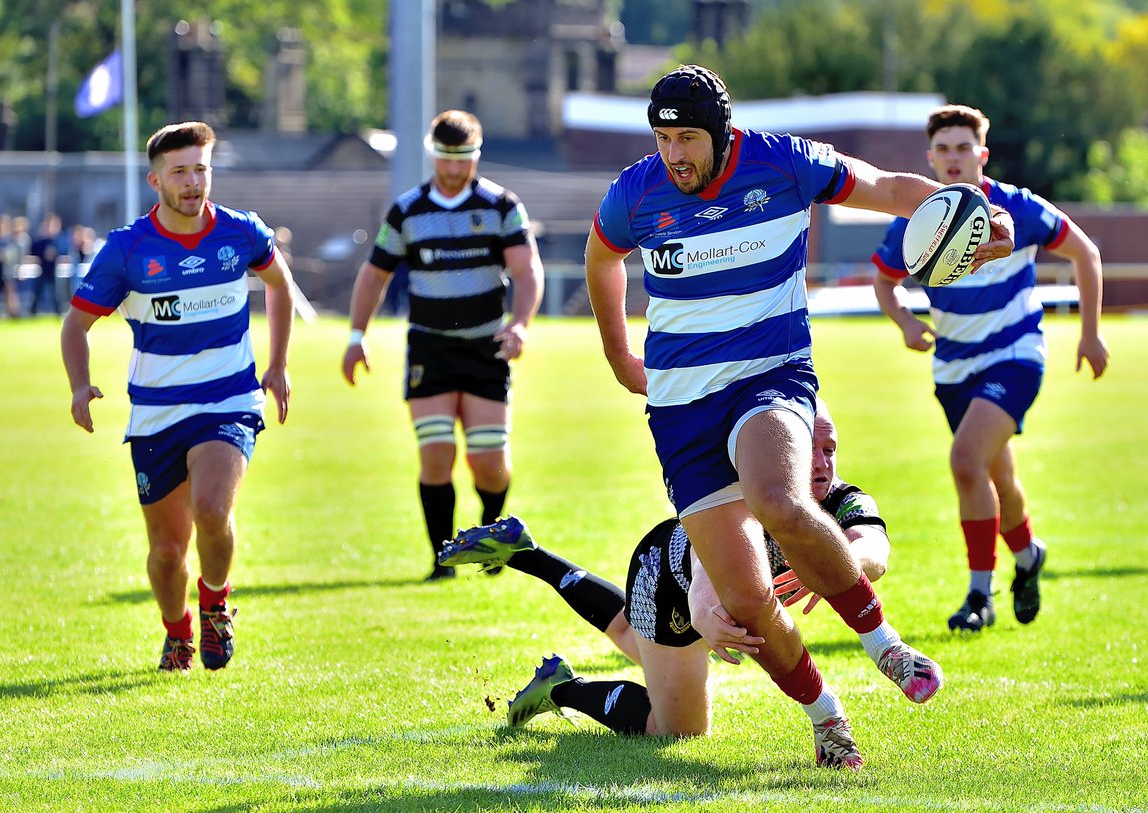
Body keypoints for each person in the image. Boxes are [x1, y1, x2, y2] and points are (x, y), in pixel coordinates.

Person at [582, 65, 1014, 718]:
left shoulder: (783, 162)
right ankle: (826, 715)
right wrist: (619, 353)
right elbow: (600, 257)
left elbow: (890, 187)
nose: (674, 155)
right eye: (663, 139)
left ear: (722, 133)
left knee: (779, 498)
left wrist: (977, 214)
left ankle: (885, 644)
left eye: (688, 139)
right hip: (679, 403)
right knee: (748, 599)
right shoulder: (634, 194)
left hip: (771, 372)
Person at [439, 401, 889, 769]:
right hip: (670, 582)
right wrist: (703, 608)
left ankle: (527, 554)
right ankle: (562, 688)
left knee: (627, 635)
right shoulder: (757, 492)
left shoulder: (843, 498)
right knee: (677, 728)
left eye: (830, 450)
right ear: (784, 448)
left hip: (699, 589)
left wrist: (841, 562)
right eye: (810, 448)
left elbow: (873, 549)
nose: (822, 463)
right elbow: (706, 566)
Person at [60, 121, 296, 673]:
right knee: (167, 554)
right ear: (155, 181)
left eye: (201, 170)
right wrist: (78, 384)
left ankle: (215, 604)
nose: (193, 183)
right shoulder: (127, 250)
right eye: (180, 173)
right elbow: (75, 326)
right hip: (155, 413)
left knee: (213, 507)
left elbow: (281, 287)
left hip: (229, 400)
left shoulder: (241, 232)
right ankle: (178, 630)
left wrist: (278, 364)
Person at [871, 104, 1109, 632]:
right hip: (953, 367)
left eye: (963, 148)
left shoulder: (1016, 208)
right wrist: (906, 323)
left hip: (1015, 354)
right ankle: (1028, 557)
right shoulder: (918, 217)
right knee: (996, 473)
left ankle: (980, 595)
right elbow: (885, 281)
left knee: (964, 461)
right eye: (943, 149)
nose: (953, 159)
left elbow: (1085, 253)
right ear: (929, 157)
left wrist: (1090, 332)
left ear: (982, 154)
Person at [341, 109, 545, 582]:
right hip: (430, 349)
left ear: (477, 156)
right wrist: (356, 336)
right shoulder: (408, 210)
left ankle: (492, 539)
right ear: (434, 154)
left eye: (464, 159)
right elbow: (375, 273)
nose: (454, 170)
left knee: (489, 464)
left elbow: (527, 269)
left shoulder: (500, 205)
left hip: (485, 348)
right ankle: (442, 559)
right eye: (446, 159)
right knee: (436, 454)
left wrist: (520, 324)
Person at [29, 213, 65, 315]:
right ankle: (33, 311)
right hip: (43, 270)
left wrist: (55, 254)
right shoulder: (41, 241)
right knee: (37, 292)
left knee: (56, 293)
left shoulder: (59, 240)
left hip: (54, 271)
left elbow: (64, 251)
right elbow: (33, 251)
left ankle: (58, 312)